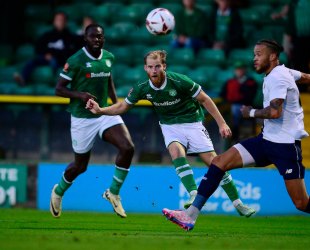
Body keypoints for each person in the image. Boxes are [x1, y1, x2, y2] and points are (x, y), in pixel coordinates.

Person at [162, 39, 310, 241]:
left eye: (258, 54)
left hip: (285, 147)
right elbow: (305, 77)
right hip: (265, 141)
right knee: (219, 163)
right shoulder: (282, 72)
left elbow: (275, 112)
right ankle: (191, 215)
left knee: (302, 203)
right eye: (254, 54)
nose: (254, 58)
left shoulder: (278, 77)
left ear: (273, 56)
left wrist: (250, 113)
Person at [86, 50, 256, 217]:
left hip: (193, 123)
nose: (154, 70)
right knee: (175, 151)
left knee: (216, 163)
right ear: (145, 68)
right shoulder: (142, 87)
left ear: (164, 67)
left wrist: (222, 123)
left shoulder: (179, 80)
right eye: (150, 67)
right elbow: (123, 106)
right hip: (169, 126)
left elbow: (204, 99)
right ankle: (193, 193)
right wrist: (101, 110)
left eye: (157, 66)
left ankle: (238, 204)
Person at [49, 24, 135, 219]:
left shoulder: (109, 57)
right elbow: (59, 89)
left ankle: (113, 192)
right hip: (82, 119)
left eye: (100, 36)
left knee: (128, 147)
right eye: (93, 37)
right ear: (85, 39)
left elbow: (108, 80)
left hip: (104, 112)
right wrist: (80, 95)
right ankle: (58, 191)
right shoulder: (76, 60)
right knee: (80, 166)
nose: (97, 39)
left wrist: (116, 105)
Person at [14, 12, 77, 86]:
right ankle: (22, 78)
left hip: (60, 60)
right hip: (46, 58)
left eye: (62, 20)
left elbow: (71, 52)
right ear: (54, 22)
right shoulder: (47, 35)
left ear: (66, 22)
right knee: (32, 61)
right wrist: (46, 54)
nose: (60, 22)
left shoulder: (70, 37)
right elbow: (38, 47)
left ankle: (53, 83)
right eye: (58, 20)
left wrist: (55, 55)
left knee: (54, 63)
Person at [220, 61, 257, 143]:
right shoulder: (230, 82)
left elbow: (250, 97)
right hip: (230, 105)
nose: (239, 71)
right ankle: (231, 135)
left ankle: (235, 135)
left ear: (244, 70)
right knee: (232, 109)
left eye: (241, 69)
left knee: (236, 109)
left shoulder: (250, 82)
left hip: (245, 105)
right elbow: (223, 94)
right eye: (237, 69)